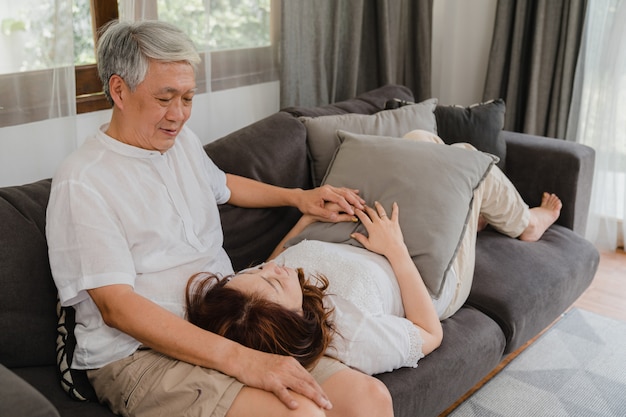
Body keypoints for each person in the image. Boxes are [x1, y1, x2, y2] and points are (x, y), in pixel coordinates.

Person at [46, 19, 394, 417]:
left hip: (225, 320)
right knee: (303, 413)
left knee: (370, 398)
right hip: (140, 354)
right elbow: (117, 308)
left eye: (188, 98)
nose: (179, 115)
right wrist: (244, 361)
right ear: (119, 90)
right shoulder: (83, 181)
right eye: (165, 99)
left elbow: (223, 184)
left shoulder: (181, 144)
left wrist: (300, 198)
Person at [185, 129, 562, 375]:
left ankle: (475, 217)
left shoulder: (252, 301)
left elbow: (277, 261)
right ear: (294, 317)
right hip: (414, 268)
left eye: (254, 272)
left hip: (364, 236)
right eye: (273, 282)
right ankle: (526, 225)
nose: (274, 270)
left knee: (420, 138)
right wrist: (396, 250)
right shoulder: (351, 337)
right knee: (463, 155)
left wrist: (305, 219)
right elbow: (429, 333)